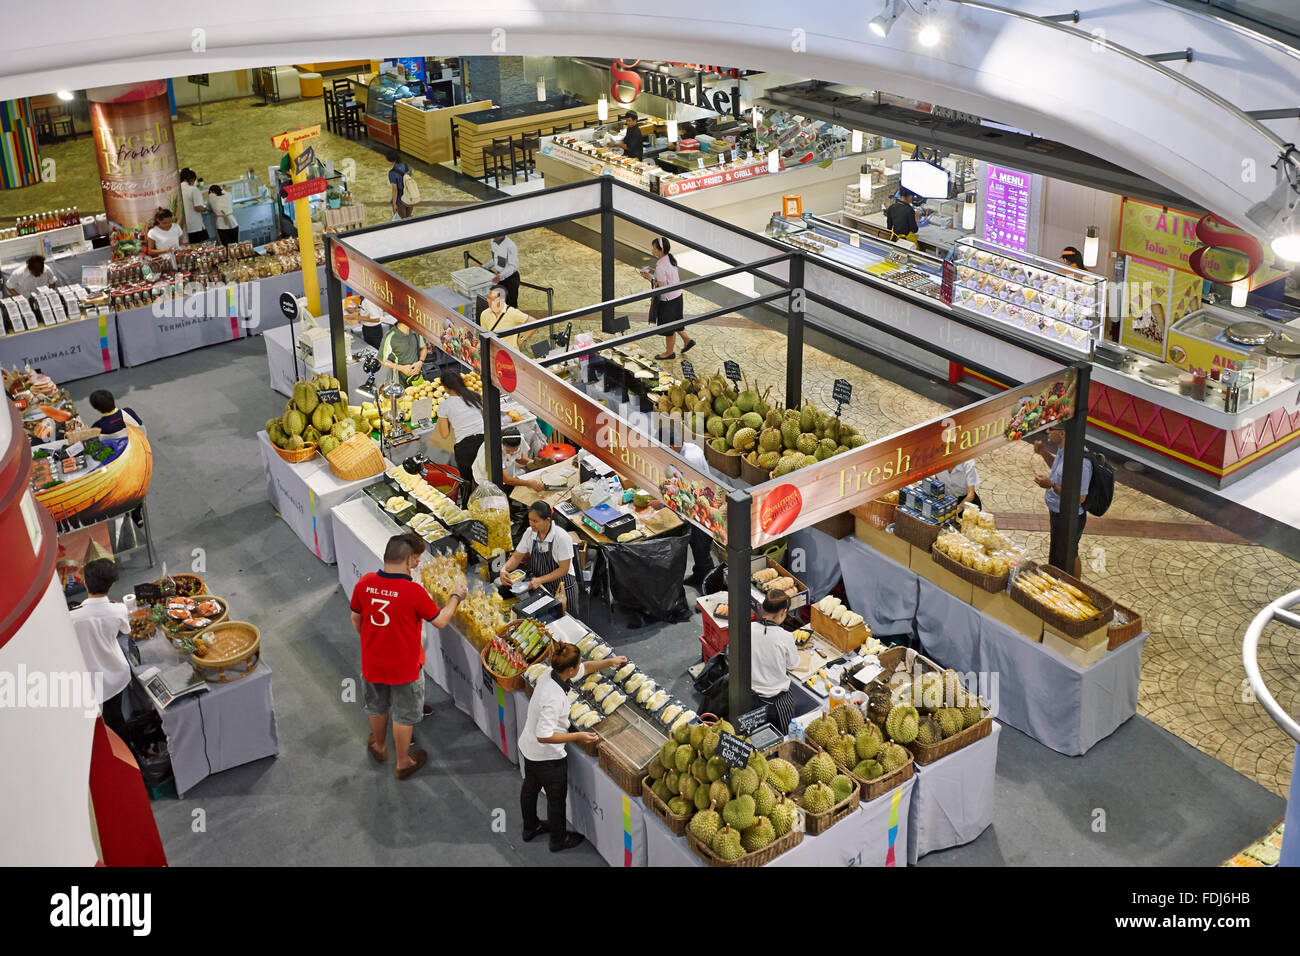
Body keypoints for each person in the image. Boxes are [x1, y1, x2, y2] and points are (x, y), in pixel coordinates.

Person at [350, 533, 468, 779]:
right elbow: (441, 621)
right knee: (404, 715)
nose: (416, 565)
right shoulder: (413, 591)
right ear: (408, 561)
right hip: (404, 667)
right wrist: (455, 597)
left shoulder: (365, 582)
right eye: (416, 560)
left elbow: (356, 619)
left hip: (372, 661)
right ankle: (403, 762)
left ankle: (379, 745)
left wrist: (373, 640)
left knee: (376, 706)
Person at [518, 643, 627, 851]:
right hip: (546, 757)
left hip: (528, 746)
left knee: (530, 787)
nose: (580, 667)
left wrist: (609, 662)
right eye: (577, 664)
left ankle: (530, 827)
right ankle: (559, 840)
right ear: (569, 670)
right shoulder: (554, 697)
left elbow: (585, 668)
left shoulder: (551, 674)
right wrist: (577, 736)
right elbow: (544, 735)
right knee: (556, 799)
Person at [69, 559, 133, 741]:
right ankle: (129, 751)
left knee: (102, 722)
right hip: (116, 674)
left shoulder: (72, 618)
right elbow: (126, 631)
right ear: (111, 585)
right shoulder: (118, 609)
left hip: (91, 680)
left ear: (85, 583)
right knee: (117, 717)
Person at [1033, 426, 1091, 577]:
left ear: (1062, 433)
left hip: (1070, 517)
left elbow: (1080, 498)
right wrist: (1044, 453)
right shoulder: (1064, 449)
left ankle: (1075, 588)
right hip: (1057, 512)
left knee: (1070, 554)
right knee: (1058, 552)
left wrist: (1051, 485)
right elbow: (1059, 470)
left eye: (1051, 428)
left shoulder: (1082, 462)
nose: (1047, 431)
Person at [500, 501, 579, 604]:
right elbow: (516, 557)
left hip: (563, 588)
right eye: (530, 519)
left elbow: (564, 569)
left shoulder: (561, 538)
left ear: (547, 520)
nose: (531, 524)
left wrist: (540, 580)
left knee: (563, 616)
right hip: (541, 586)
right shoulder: (530, 532)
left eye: (535, 521)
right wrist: (504, 569)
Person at [750, 592, 800, 731]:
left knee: (755, 737)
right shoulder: (785, 637)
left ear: (762, 608)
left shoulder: (748, 629)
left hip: (751, 698)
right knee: (784, 736)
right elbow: (793, 664)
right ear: (783, 612)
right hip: (778, 702)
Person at [639, 236, 695, 361]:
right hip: (677, 297)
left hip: (668, 301)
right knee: (676, 321)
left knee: (668, 327)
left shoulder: (661, 267)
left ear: (660, 250)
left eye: (654, 248)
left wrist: (649, 278)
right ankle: (687, 340)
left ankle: (669, 353)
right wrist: (654, 271)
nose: (652, 251)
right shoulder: (670, 258)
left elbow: (663, 287)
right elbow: (668, 276)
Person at [436, 369, 485, 505]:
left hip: (466, 448)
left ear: (445, 387)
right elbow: (484, 418)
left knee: (467, 483)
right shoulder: (475, 396)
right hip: (484, 443)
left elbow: (444, 434)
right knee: (485, 479)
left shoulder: (445, 405)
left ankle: (467, 509)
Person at [679, 441, 717, 591]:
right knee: (696, 547)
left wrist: (662, 503)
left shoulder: (688, 459)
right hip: (695, 509)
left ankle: (711, 592)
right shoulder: (689, 447)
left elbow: (686, 492)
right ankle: (698, 577)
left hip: (703, 511)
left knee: (703, 553)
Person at [473, 429, 544, 493]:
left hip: (505, 474)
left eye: (514, 450)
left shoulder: (520, 440)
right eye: (508, 451)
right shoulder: (493, 452)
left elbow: (519, 457)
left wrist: (532, 462)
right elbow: (506, 479)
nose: (511, 453)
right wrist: (529, 483)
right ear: (501, 444)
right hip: (486, 479)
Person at [478, 284, 533, 352]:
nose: (489, 301)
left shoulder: (512, 313)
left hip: (510, 355)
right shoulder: (484, 314)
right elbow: (484, 334)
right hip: (494, 354)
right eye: (488, 298)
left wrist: (522, 339)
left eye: (493, 299)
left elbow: (533, 322)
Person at [379, 321, 428, 386]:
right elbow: (382, 359)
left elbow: (423, 348)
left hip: (416, 376)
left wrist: (420, 362)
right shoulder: (390, 336)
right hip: (399, 380)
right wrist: (401, 368)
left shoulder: (416, 331)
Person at [489, 233, 521, 309]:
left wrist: (500, 276)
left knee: (511, 304)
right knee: (499, 302)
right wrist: (483, 267)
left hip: (511, 279)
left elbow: (513, 266)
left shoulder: (511, 246)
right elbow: (495, 259)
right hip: (499, 278)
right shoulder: (492, 241)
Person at [179, 168, 209, 243]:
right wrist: (207, 209)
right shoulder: (193, 189)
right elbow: (198, 207)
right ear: (191, 179)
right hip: (196, 226)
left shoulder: (177, 190)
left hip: (183, 228)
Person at [388, 150, 414, 219]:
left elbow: (395, 190)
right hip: (409, 198)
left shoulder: (392, 173)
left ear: (392, 160)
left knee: (402, 222)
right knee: (409, 218)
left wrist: (394, 204)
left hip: (400, 201)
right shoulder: (407, 167)